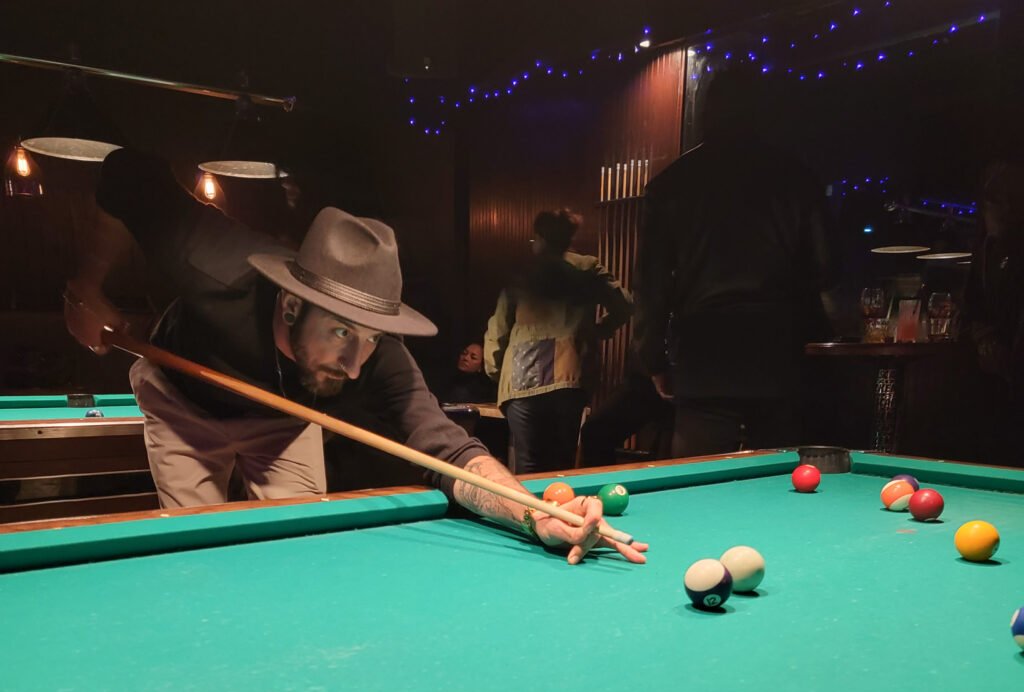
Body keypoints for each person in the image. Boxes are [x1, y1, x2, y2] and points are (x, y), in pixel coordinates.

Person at [64, 149, 645, 566]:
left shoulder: (375, 356)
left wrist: (530, 512)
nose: (354, 364)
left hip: (284, 418)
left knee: (301, 552)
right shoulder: (211, 262)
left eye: (369, 338)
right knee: (200, 550)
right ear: (291, 307)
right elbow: (125, 174)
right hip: (184, 400)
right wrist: (88, 286)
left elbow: (450, 451)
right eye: (341, 334)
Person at [632, 70, 839, 457]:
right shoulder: (796, 178)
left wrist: (652, 359)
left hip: (703, 350)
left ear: (706, 113)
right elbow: (826, 269)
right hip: (778, 349)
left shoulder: (671, 185)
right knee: (781, 478)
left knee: (697, 478)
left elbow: (651, 284)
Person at [484, 209, 633, 473]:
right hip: (569, 373)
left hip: (520, 376)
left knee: (528, 465)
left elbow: (499, 329)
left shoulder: (523, 273)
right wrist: (599, 330)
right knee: (561, 465)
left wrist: (495, 370)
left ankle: (529, 514)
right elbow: (624, 305)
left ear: (540, 238)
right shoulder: (588, 268)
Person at [958, 160, 1024, 466]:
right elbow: (971, 306)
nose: (999, 209)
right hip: (994, 373)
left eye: (1006, 201)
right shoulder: (985, 249)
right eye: (993, 201)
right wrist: (985, 337)